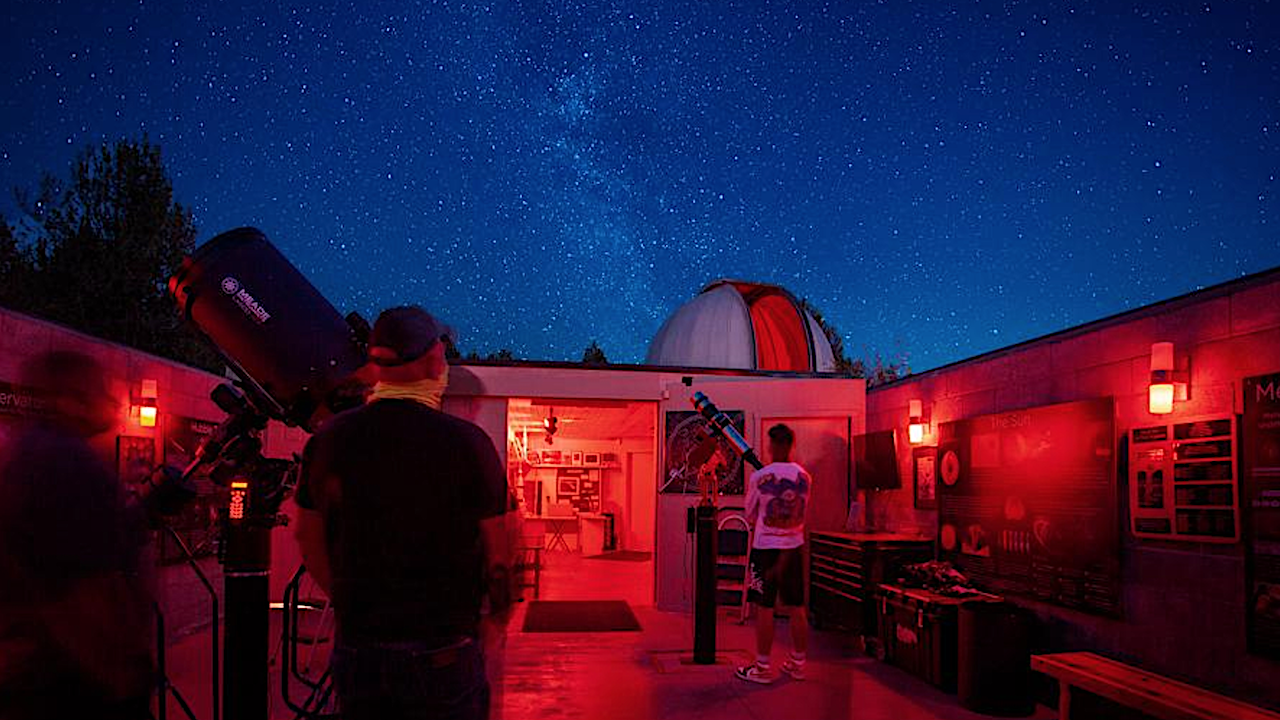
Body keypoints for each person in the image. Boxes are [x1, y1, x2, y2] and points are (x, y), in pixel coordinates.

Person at [294, 306, 511, 720]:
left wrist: (351, 603)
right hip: (445, 653)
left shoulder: (330, 440)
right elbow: (498, 551)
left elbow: (307, 537)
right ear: (432, 360)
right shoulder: (468, 444)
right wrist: (494, 621)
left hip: (362, 652)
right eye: (444, 356)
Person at [0, 350, 155, 720]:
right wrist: (122, 678)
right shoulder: (66, 463)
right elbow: (78, 590)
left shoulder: (28, 454)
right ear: (73, 400)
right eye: (101, 390)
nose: (113, 401)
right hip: (74, 686)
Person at [735, 423, 812, 684]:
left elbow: (749, 513)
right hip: (793, 549)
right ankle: (798, 664)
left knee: (765, 607)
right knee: (797, 606)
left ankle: (762, 667)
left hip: (765, 551)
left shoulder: (760, 477)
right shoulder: (804, 477)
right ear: (791, 444)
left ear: (772, 445)